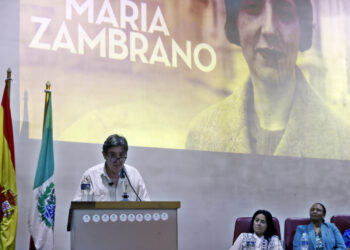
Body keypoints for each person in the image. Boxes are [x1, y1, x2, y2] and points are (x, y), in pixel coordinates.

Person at [185, 0, 350, 160]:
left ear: (302, 31)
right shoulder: (202, 136)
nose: (269, 29)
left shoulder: (341, 145)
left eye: (284, 12)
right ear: (236, 24)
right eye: (253, 9)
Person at [73, 134, 150, 201]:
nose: (118, 160)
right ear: (104, 155)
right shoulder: (90, 176)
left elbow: (146, 206)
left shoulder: (134, 175)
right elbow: (79, 207)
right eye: (113, 156)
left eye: (121, 155)